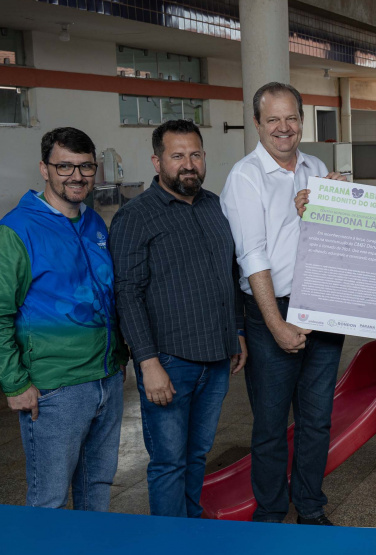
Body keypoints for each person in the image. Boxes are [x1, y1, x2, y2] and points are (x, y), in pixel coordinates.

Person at [220, 82, 346, 525]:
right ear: (257, 123)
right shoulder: (245, 176)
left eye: (291, 117)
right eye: (272, 119)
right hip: (271, 309)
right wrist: (276, 324)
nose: (283, 127)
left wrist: (339, 203)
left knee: (317, 419)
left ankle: (310, 507)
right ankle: (271, 512)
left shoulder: (317, 167)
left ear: (302, 121)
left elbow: (331, 240)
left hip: (321, 304)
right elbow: (251, 256)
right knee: (271, 424)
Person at [110, 120, 246, 518]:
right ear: (157, 162)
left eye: (195, 155)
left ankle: (191, 532)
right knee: (169, 461)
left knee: (197, 454)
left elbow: (230, 274)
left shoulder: (215, 206)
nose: (189, 164)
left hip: (216, 359)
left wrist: (237, 330)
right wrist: (147, 363)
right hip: (169, 361)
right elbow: (127, 294)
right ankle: (170, 541)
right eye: (177, 156)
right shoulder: (135, 216)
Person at [0, 127, 125, 510]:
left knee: (97, 488)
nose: (77, 176)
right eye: (64, 166)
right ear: (44, 169)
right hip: (55, 389)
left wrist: (119, 359)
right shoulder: (15, 231)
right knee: (49, 499)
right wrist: (14, 383)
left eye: (86, 166)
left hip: (107, 379)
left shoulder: (94, 223)